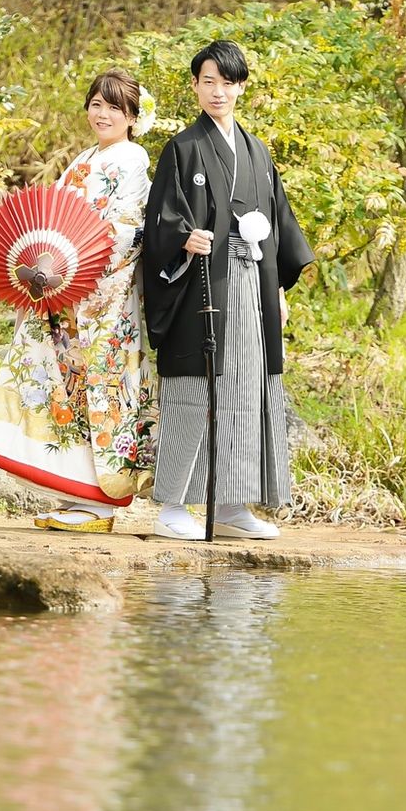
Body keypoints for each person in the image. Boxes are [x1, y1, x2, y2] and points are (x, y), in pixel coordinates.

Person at [0, 69, 158, 532]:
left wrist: (78, 266)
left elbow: (129, 231)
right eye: (97, 104)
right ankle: (76, 496)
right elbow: (56, 218)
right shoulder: (84, 158)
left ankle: (101, 504)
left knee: (97, 392)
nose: (103, 114)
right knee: (63, 391)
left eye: (115, 107)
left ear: (133, 117)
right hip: (64, 294)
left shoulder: (133, 160)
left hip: (101, 300)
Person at [142, 39, 314, 540]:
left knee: (246, 389)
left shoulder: (257, 152)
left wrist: (277, 291)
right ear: (195, 87)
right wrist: (183, 238)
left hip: (252, 282)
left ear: (241, 87)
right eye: (208, 81)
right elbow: (160, 222)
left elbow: (279, 226)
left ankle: (233, 505)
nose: (218, 91)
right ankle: (173, 505)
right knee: (194, 389)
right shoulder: (182, 148)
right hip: (200, 284)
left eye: (228, 82)